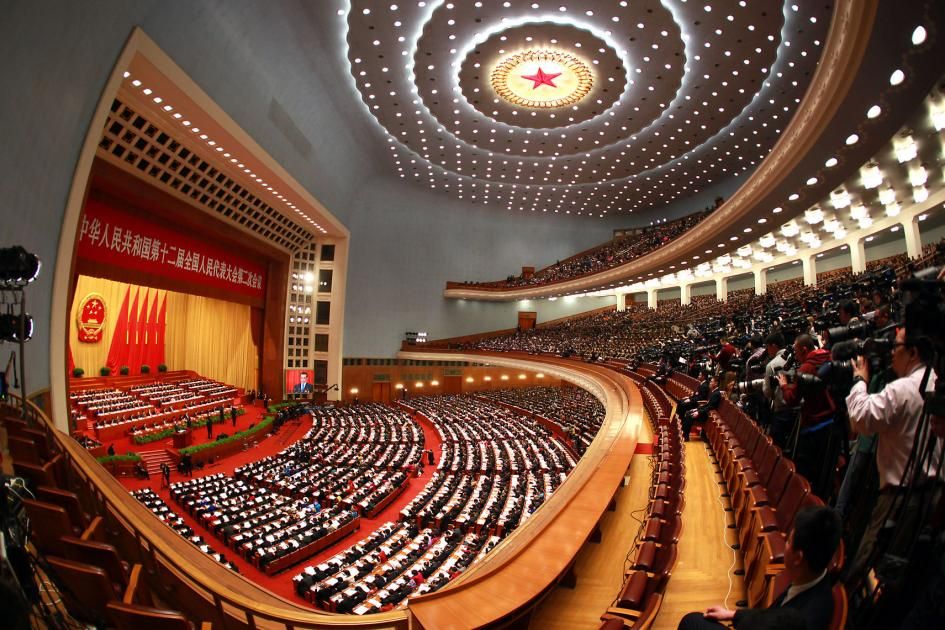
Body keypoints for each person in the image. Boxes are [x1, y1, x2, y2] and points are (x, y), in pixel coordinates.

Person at [842, 326, 941, 588]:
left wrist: (860, 380)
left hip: (900, 499)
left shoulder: (904, 388)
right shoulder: (936, 381)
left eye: (896, 347)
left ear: (913, 352)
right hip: (932, 496)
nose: (891, 354)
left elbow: (861, 419)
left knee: (866, 567)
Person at [677, 505, 841, 629]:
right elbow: (772, 618)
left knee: (691, 622)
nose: (784, 545)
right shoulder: (816, 578)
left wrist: (734, 617)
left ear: (798, 558)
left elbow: (778, 622)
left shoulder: (803, 618)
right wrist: (732, 615)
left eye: (789, 542)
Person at [777, 334, 835, 498]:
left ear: (804, 349)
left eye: (796, 351)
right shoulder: (827, 357)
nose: (794, 355)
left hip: (814, 425)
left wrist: (784, 386)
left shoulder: (806, 368)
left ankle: (803, 500)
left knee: (806, 471)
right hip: (832, 420)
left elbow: (792, 399)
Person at [762, 332, 793, 448]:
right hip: (800, 409)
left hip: (782, 411)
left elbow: (767, 392)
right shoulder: (794, 356)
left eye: (767, 347)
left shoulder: (772, 365)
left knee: (776, 448)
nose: (767, 350)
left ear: (774, 346)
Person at [682, 376, 721, 440]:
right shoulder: (714, 392)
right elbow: (707, 404)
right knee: (688, 412)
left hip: (706, 415)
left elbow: (711, 407)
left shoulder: (716, 394)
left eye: (711, 382)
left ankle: (685, 436)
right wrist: (696, 409)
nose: (710, 383)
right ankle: (684, 434)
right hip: (705, 412)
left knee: (689, 416)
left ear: (716, 383)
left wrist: (698, 412)